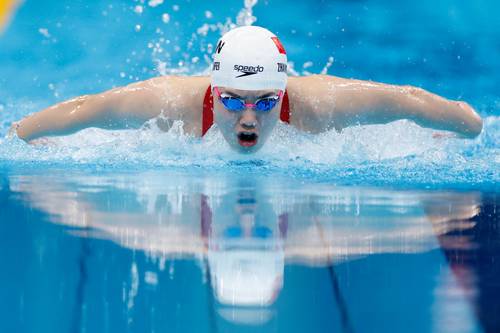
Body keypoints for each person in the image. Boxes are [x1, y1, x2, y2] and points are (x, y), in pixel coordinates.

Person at [13, 26, 483, 153]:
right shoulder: (171, 103)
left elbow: (406, 101)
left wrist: (469, 127)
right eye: (232, 99)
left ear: (284, 94)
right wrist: (21, 136)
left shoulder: (319, 104)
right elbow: (90, 108)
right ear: (213, 92)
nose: (248, 117)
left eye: (265, 102)